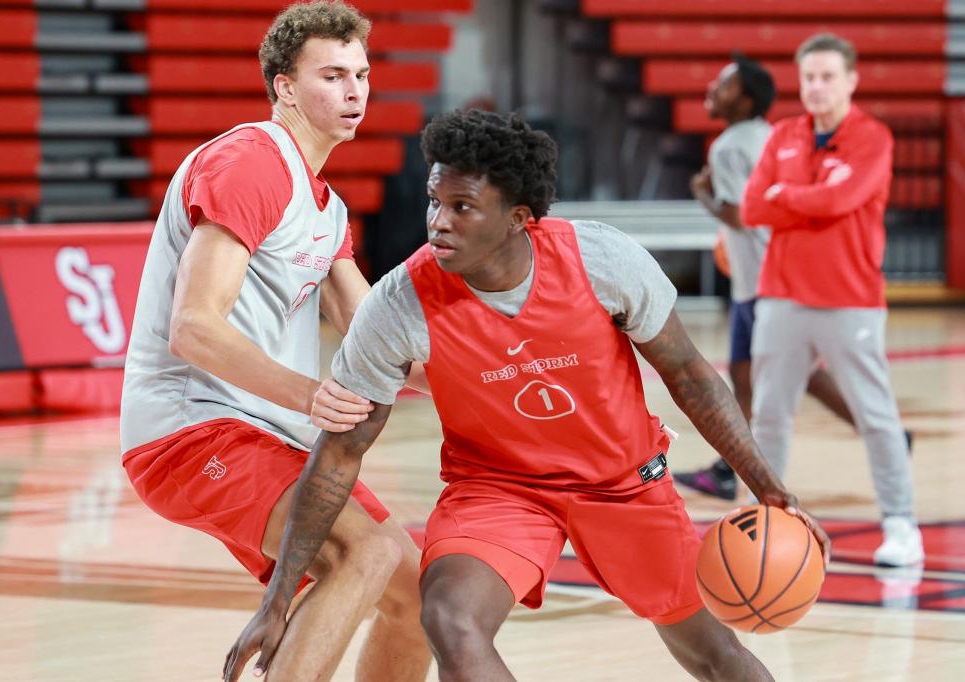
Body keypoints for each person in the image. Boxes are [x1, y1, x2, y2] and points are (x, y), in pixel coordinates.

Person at [259, 109, 831, 681]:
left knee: (712, 651)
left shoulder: (602, 260)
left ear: (517, 219)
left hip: (623, 483)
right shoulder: (400, 303)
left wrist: (768, 486)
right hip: (499, 489)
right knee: (450, 615)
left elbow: (691, 376)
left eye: (462, 207)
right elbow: (340, 451)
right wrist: (278, 597)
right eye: (435, 201)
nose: (438, 223)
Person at [119, 3, 431, 681]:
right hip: (190, 430)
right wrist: (312, 395)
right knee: (366, 555)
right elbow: (193, 325)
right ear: (284, 86)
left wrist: (505, 381)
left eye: (363, 74)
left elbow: (377, 334)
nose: (355, 91)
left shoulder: (327, 206)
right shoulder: (251, 161)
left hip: (269, 433)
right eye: (333, 75)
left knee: (421, 593)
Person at [742, 33, 923, 567]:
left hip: (851, 299)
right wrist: (806, 203)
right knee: (768, 416)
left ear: (851, 80)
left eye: (827, 77)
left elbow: (841, 198)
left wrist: (789, 198)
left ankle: (900, 524)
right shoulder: (782, 135)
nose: (817, 87)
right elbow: (753, 207)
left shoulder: (873, 138)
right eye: (809, 78)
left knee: (876, 416)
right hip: (781, 297)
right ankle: (765, 523)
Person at [676, 54, 860, 501]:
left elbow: (740, 215)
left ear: (746, 98)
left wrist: (702, 194)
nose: (713, 89)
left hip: (761, 281)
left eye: (725, 84)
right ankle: (727, 467)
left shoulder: (728, 147)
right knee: (746, 375)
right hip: (772, 276)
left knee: (789, 373)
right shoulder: (774, 137)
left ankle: (881, 430)